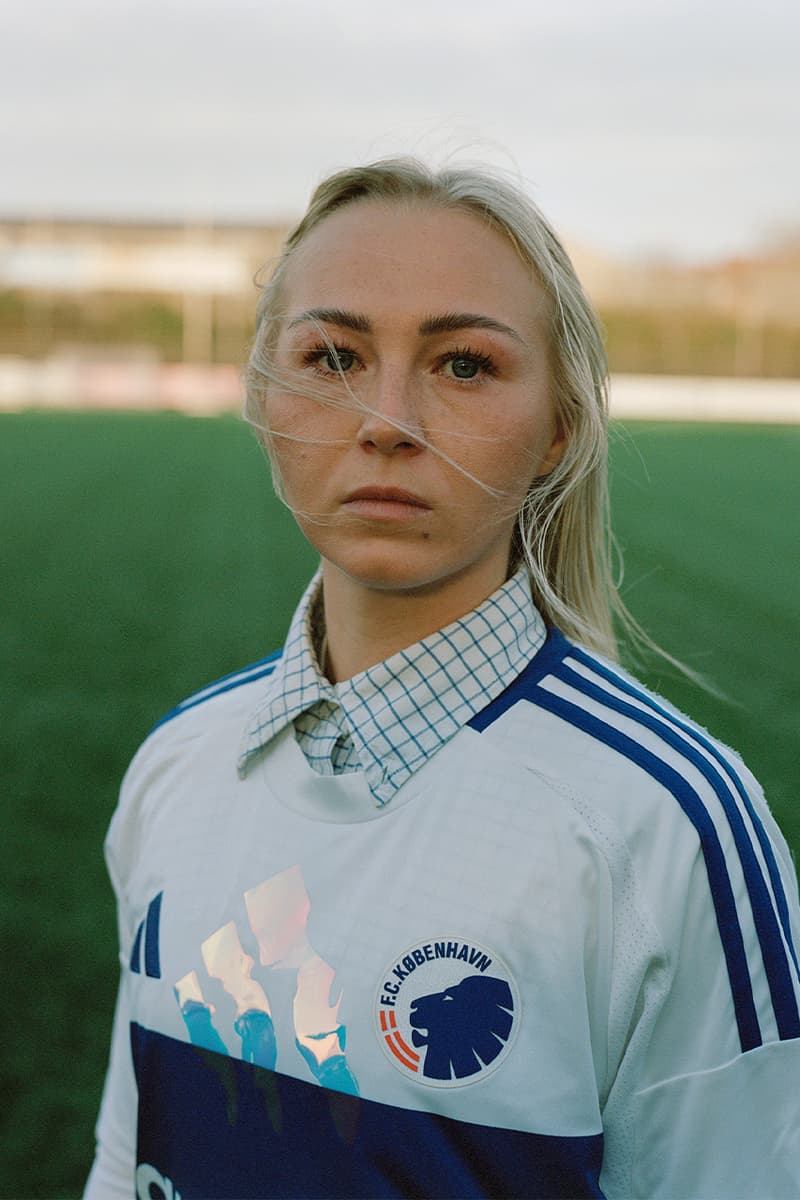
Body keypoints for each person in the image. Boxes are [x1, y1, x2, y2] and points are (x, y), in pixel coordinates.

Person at [85, 159, 800, 1200]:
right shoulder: (176, 765)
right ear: (258, 395)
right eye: (331, 355)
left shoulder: (664, 825)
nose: (387, 420)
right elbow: (125, 1158)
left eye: (462, 365)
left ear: (557, 426)